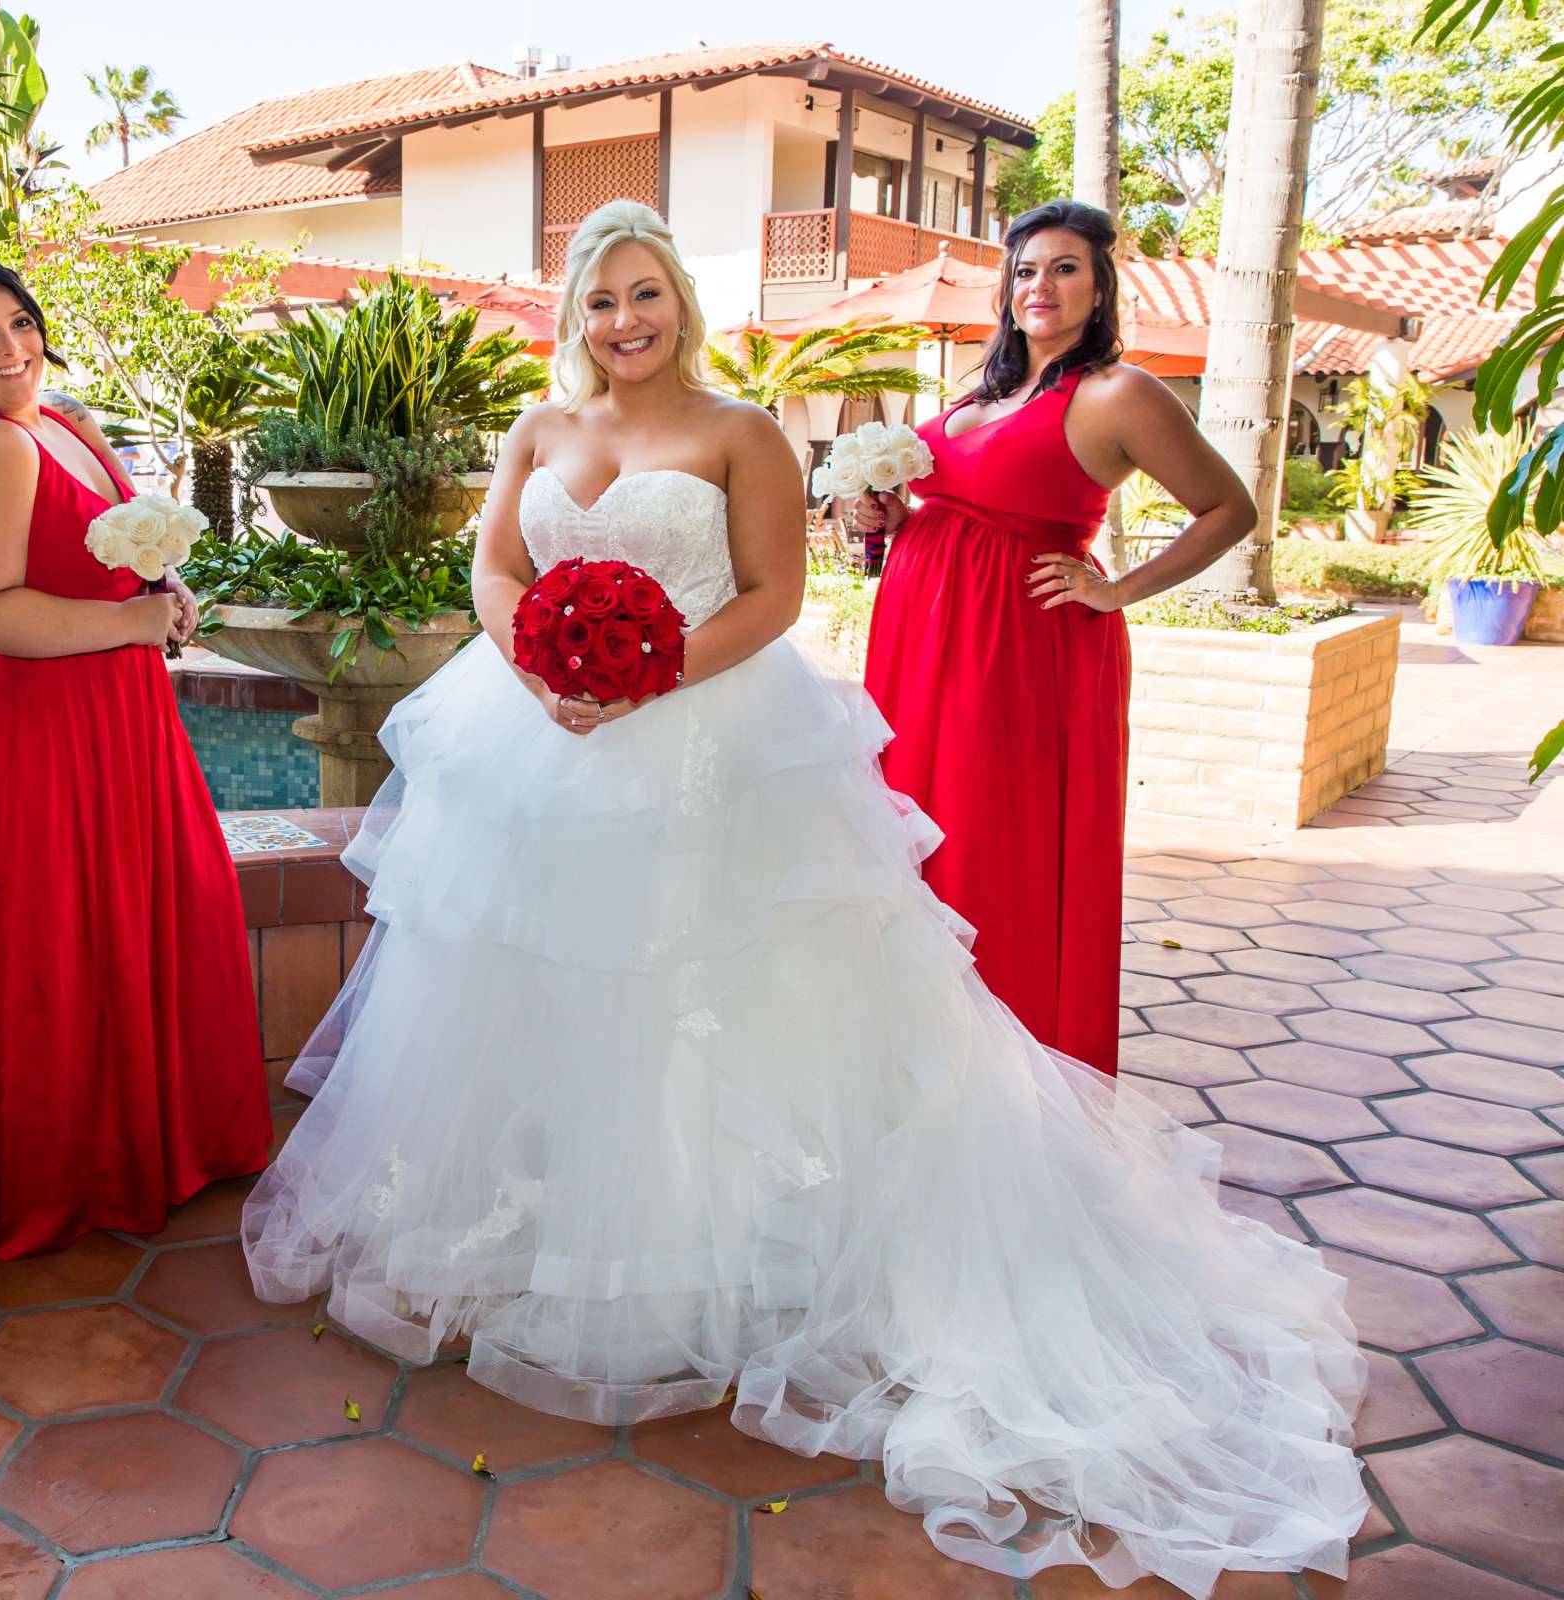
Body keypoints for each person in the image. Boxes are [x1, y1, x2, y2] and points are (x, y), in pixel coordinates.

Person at [241, 200, 1363, 1598]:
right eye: (602, 302)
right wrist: (539, 666)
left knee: (699, 993)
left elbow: (771, 596)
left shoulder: (741, 432)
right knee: (537, 981)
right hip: (539, 730)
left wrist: (647, 674)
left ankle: (696, 1260)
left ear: (681, 306)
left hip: (707, 738)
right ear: (576, 315)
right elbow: (495, 566)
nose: (625, 322)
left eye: (647, 296)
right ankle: (536, 1231)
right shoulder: (539, 432)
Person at [0, 252, 271, 1258]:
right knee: (59, 957)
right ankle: (67, 1170)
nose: (11, 347)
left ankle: (149, 1144)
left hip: (117, 718)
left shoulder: (61, 418)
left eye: (19, 321)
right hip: (39, 736)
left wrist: (166, 597)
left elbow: (108, 554)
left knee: (143, 925)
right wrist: (129, 627)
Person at [851, 199, 1256, 1075]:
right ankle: (912, 1058)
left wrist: (1114, 590)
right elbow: (945, 511)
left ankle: (1005, 1078)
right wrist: (886, 515)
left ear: (1102, 288)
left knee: (989, 851)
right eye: (1028, 270)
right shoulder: (981, 392)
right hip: (920, 645)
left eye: (1067, 268)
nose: (1043, 285)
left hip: (1016, 657)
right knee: (908, 836)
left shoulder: (1121, 393)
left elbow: (1230, 509)